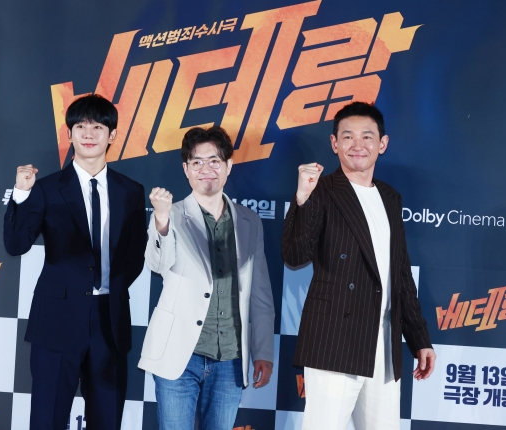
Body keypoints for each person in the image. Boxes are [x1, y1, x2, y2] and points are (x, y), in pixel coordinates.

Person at [282, 102, 436, 430]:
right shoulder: (320, 191)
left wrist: (420, 338)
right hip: (334, 340)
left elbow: (400, 274)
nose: (358, 144)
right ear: (334, 143)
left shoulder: (391, 198)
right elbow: (295, 256)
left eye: (367, 136)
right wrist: (302, 199)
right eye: (348, 136)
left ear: (382, 143)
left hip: (384, 343)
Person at [3, 94, 146, 430]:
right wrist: (20, 195)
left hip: (109, 323)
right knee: (47, 419)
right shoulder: (46, 188)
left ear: (112, 135)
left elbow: (135, 254)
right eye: (80, 126)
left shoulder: (131, 191)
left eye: (98, 126)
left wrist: (113, 288)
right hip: (56, 321)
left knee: (107, 420)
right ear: (69, 134)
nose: (88, 133)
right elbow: (15, 244)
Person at [138, 126, 275, 430]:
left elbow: (261, 293)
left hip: (230, 358)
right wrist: (160, 223)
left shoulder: (250, 221)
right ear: (186, 169)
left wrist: (263, 351)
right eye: (197, 162)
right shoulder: (169, 214)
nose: (206, 169)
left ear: (228, 166)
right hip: (178, 355)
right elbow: (158, 264)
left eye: (214, 161)